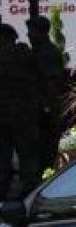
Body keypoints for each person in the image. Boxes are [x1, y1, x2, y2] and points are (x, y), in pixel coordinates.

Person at [0, 23, 41, 203]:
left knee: (0, 157)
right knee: (28, 155)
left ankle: (1, 194)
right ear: (13, 37)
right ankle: (30, 192)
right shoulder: (25, 54)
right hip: (23, 114)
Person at [26, 16, 67, 172]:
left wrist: (47, 108)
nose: (28, 35)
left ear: (40, 32)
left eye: (31, 31)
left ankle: (44, 180)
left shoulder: (46, 53)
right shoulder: (40, 51)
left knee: (46, 148)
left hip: (45, 109)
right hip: (42, 107)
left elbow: (52, 83)